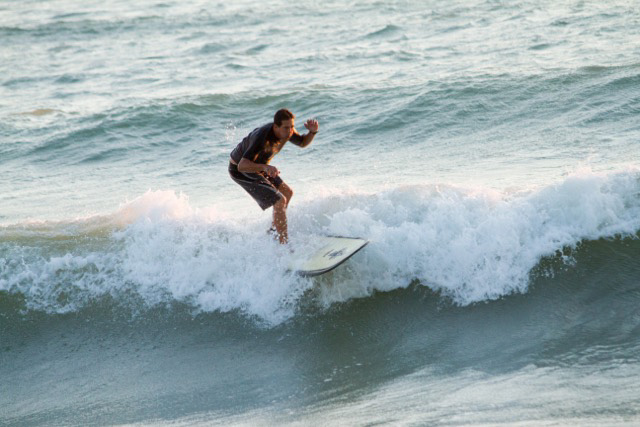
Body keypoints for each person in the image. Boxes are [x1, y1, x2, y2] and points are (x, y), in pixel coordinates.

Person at [228, 109, 319, 244]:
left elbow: (302, 142)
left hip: (259, 166)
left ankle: (274, 232)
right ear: (276, 126)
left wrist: (312, 132)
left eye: (292, 126)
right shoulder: (262, 136)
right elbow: (242, 165)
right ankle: (283, 243)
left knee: (287, 193)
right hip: (240, 170)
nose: (290, 131)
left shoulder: (286, 132)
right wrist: (265, 167)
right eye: (287, 127)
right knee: (279, 200)